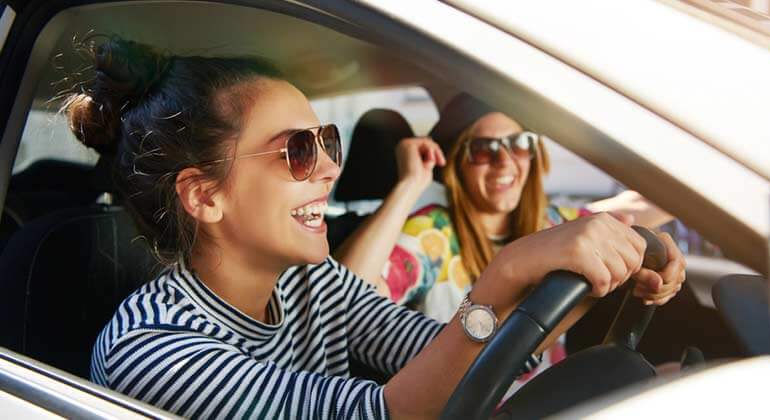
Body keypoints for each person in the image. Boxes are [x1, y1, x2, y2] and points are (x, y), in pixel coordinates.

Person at [68, 38, 685, 419]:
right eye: (299, 151)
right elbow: (386, 414)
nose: (332, 169)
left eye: (328, 143)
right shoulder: (151, 349)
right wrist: (507, 271)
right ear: (204, 195)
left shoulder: (313, 285)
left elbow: (460, 356)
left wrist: (603, 270)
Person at [335, 94, 679, 391]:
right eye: (483, 150)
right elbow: (343, 300)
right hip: (469, 405)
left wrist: (659, 254)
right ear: (457, 163)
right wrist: (409, 184)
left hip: (546, 396)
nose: (505, 161)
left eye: (519, 144)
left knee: (673, 379)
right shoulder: (433, 233)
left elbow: (635, 214)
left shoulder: (554, 225)